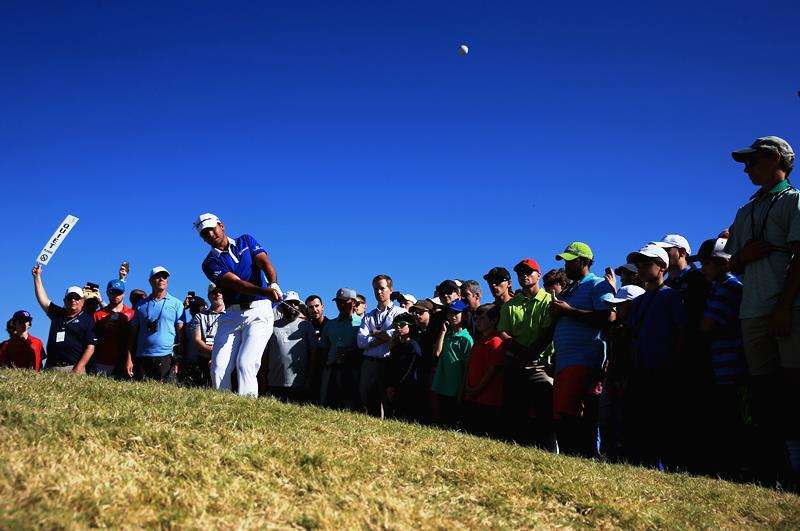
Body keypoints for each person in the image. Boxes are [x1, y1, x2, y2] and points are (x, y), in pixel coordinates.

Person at [725, 135, 800, 486]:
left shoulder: (795, 201)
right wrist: (744, 256)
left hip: (787, 306)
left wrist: (785, 306)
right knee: (764, 390)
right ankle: (774, 470)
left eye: (752, 161)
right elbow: (733, 262)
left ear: (773, 159)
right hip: (751, 310)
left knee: (792, 385)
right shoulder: (746, 210)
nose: (746, 168)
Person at [195, 213, 283, 397]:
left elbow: (265, 262)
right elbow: (237, 284)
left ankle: (247, 411)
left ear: (222, 226)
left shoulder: (246, 240)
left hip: (259, 311)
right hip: (232, 314)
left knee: (246, 363)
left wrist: (273, 283)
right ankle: (221, 409)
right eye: (205, 233)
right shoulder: (209, 263)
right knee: (218, 367)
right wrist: (266, 291)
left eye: (212, 229)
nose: (210, 234)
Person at [623, 244, 687, 469]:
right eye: (638, 263)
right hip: (639, 368)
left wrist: (674, 364)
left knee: (661, 420)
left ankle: (664, 467)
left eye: (646, 263)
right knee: (641, 420)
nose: (639, 268)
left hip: (663, 368)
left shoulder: (672, 297)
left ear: (661, 267)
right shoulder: (639, 301)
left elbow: (680, 332)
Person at [550, 242, 614, 458]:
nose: (566, 265)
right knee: (562, 413)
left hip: (583, 359)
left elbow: (607, 317)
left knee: (570, 414)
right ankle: (571, 458)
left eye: (571, 260)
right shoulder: (570, 289)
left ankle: (580, 458)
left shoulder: (597, 285)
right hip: (564, 360)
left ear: (584, 262)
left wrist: (570, 310)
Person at [694, 237, 750, 477]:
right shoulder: (718, 287)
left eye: (707, 263)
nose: (703, 268)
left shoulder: (730, 287)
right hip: (721, 364)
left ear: (723, 263)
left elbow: (707, 325)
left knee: (731, 418)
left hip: (732, 365)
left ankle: (735, 469)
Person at [498, 258, 556, 449]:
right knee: (516, 412)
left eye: (529, 271)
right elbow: (503, 332)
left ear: (538, 274)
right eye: (520, 272)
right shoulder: (510, 305)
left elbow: (550, 330)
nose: (524, 275)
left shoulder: (550, 300)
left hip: (542, 365)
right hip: (517, 363)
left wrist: (532, 352)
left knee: (545, 413)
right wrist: (522, 351)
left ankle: (547, 450)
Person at [598, 285, 645, 461]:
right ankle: (607, 454)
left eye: (622, 304)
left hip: (630, 381)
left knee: (624, 421)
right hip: (612, 379)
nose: (618, 308)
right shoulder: (616, 329)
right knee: (606, 419)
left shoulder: (639, 330)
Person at [357, 274, 406, 417]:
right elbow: (361, 342)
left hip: (387, 363)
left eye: (382, 288)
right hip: (369, 363)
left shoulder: (399, 312)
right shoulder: (368, 316)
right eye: (375, 289)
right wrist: (384, 336)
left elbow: (396, 334)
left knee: (388, 403)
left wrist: (374, 333)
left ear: (390, 289)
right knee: (368, 402)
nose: (379, 292)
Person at [32, 265, 96, 373]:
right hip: (51, 367)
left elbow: (90, 347)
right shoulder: (58, 313)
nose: (73, 300)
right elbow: (43, 299)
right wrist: (37, 277)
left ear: (82, 301)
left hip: (73, 368)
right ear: (64, 300)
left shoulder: (87, 319)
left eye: (77, 298)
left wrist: (78, 368)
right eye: (70, 297)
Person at [126, 267, 183, 382]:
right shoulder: (141, 305)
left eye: (164, 277)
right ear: (150, 281)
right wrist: (129, 358)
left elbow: (181, 335)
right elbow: (133, 334)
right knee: (140, 394)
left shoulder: (177, 304)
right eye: (157, 276)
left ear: (167, 281)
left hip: (166, 355)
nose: (161, 279)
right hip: (142, 355)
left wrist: (179, 360)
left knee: (165, 394)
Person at [462, 303, 506, 438]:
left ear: (493, 320)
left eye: (482, 318)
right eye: (476, 319)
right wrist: (468, 388)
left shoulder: (496, 342)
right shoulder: (478, 341)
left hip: (488, 400)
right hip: (473, 397)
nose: (478, 322)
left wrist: (476, 389)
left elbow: (492, 370)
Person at [266, 291, 317, 403]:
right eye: (289, 303)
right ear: (282, 305)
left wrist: (310, 376)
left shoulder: (306, 326)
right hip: (274, 382)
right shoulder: (271, 326)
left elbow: (313, 352)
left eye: (295, 303)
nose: (293, 306)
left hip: (299, 383)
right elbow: (265, 354)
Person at [431, 299, 473, 427]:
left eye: (456, 313)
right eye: (450, 313)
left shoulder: (466, 338)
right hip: (442, 382)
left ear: (463, 315)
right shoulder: (447, 334)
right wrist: (443, 332)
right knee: (441, 417)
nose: (453, 316)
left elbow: (467, 366)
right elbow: (437, 353)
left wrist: (463, 388)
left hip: (456, 385)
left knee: (453, 419)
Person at [319, 288, 362, 409]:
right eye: (338, 301)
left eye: (344, 301)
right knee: (327, 405)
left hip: (352, 371)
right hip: (331, 370)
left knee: (349, 407)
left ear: (354, 303)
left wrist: (350, 352)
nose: (340, 305)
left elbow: (364, 348)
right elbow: (323, 347)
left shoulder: (362, 323)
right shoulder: (330, 324)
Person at [91, 279, 135, 377]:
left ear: (123, 294)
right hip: (102, 361)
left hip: (124, 361)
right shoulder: (98, 315)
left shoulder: (132, 314)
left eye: (119, 292)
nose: (116, 295)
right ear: (107, 293)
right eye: (113, 292)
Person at [385, 313, 423, 421]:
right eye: (396, 324)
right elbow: (392, 367)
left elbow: (410, 368)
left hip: (409, 385)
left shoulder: (413, 346)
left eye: (402, 324)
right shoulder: (396, 345)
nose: (398, 327)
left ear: (410, 326)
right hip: (396, 385)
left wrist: (396, 386)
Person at [192, 285, 226, 387]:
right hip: (205, 360)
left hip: (227, 359)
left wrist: (217, 356)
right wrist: (214, 353)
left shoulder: (232, 314)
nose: (218, 294)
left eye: (220, 291)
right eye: (214, 292)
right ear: (209, 296)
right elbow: (197, 340)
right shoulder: (200, 316)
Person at [178, 295, 209, 387]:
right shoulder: (185, 327)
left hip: (206, 363)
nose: (198, 310)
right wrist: (182, 307)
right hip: (190, 365)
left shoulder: (211, 322)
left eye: (200, 307)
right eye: (194, 308)